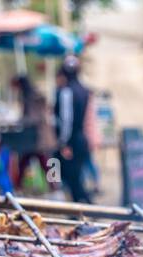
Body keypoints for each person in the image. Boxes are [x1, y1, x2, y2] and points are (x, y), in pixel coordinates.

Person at [53, 56, 93, 204]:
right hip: (81, 138)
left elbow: (67, 120)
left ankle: (84, 206)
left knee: (65, 173)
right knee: (75, 177)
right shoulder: (83, 90)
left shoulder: (67, 92)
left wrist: (64, 143)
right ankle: (81, 206)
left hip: (71, 141)